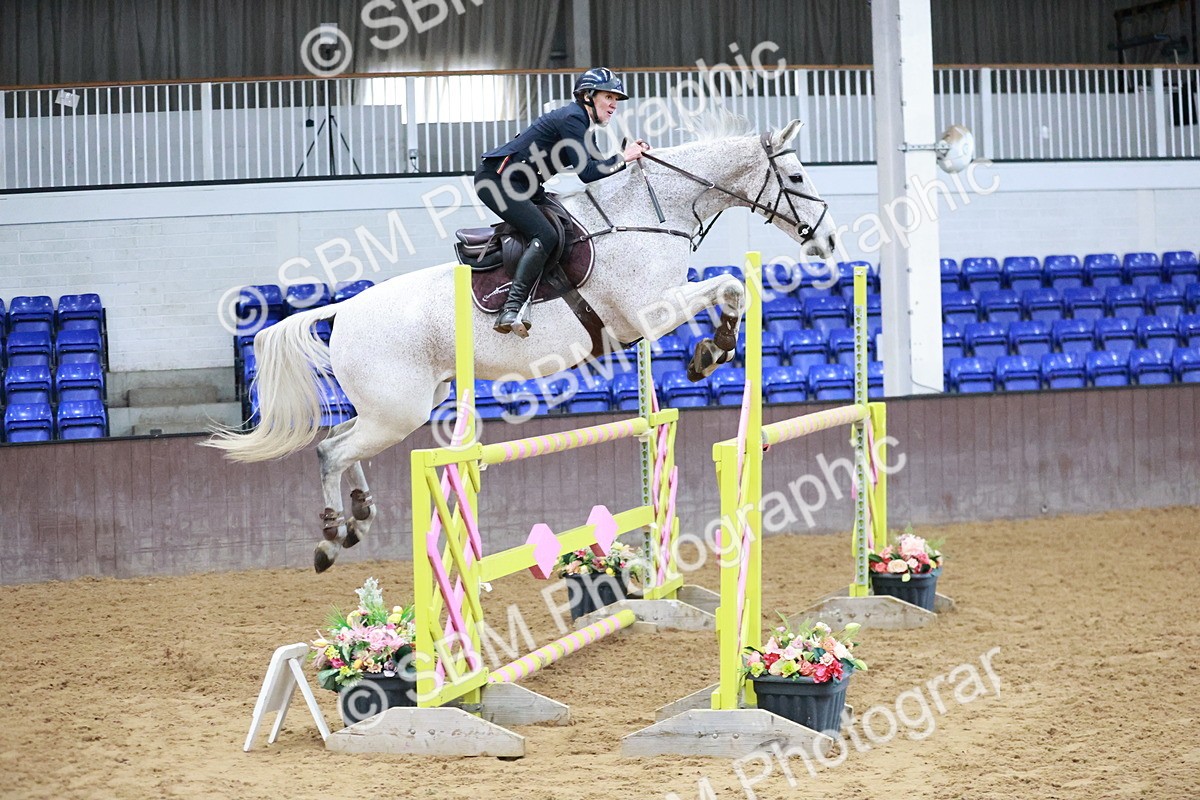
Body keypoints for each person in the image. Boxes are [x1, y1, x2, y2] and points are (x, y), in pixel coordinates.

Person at [474, 67, 649, 337]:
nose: (614, 104)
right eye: (608, 97)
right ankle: (512, 306)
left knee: (562, 224)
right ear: (588, 96)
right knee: (544, 233)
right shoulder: (572, 119)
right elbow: (588, 173)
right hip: (498, 182)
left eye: (616, 99)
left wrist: (627, 156)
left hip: (526, 185)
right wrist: (624, 157)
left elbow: (598, 170)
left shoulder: (582, 126)